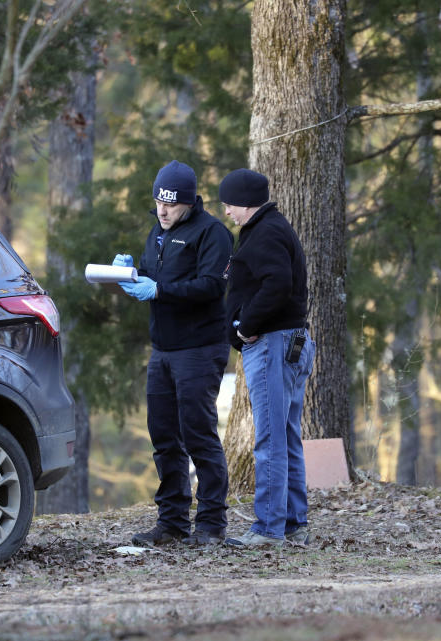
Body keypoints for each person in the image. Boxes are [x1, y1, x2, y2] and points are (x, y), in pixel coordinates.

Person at [114, 160, 234, 546]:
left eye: (170, 204)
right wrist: (131, 275)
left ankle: (211, 525)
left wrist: (159, 291)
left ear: (189, 202)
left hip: (199, 349)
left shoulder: (212, 233)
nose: (162, 211)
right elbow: (155, 275)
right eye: (158, 202)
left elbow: (211, 287)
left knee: (198, 434)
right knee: (164, 436)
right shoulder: (157, 231)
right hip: (163, 350)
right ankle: (172, 523)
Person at [218, 168, 315, 548]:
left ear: (244, 202)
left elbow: (278, 283)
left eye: (229, 204)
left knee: (271, 437)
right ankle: (293, 522)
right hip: (288, 342)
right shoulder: (273, 228)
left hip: (274, 344)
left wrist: (245, 325)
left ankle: (269, 527)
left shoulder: (266, 232)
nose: (227, 211)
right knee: (286, 435)